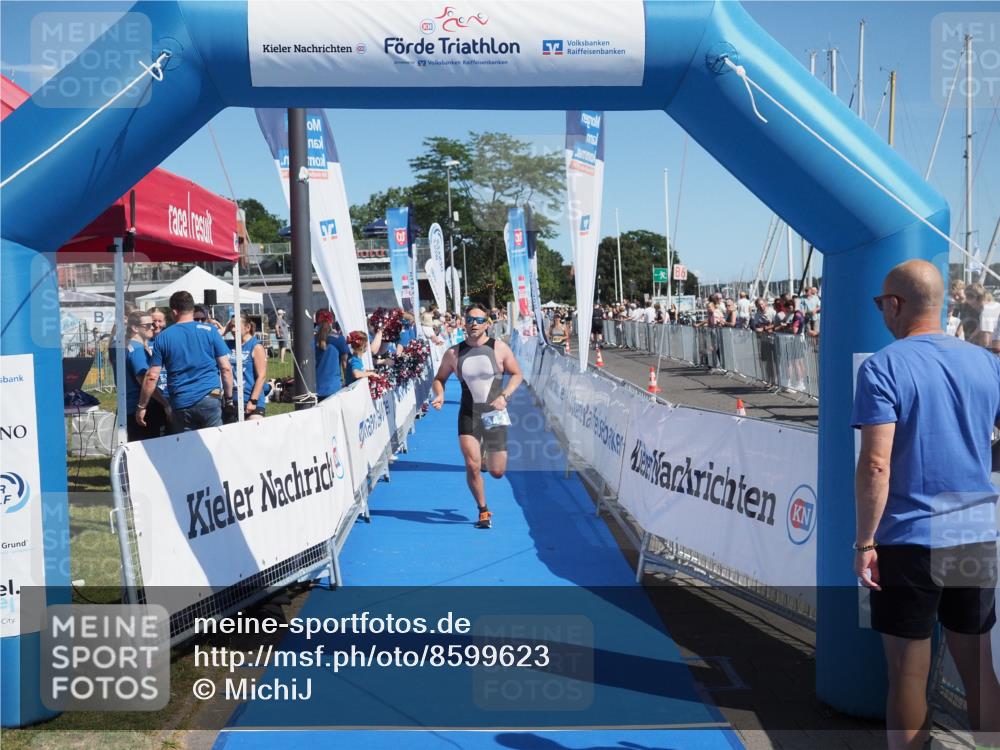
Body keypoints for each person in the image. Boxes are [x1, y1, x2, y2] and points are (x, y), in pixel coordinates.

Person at [852, 260, 1000, 750]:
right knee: (978, 667)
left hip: (909, 535)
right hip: (970, 525)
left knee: (908, 675)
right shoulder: (986, 363)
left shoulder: (883, 366)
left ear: (894, 304)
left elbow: (876, 464)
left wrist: (865, 541)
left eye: (880, 304)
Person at [430, 305, 523, 530]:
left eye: (479, 320)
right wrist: (440, 394)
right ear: (464, 322)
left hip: (495, 412)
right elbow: (439, 378)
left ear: (487, 324)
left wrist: (504, 396)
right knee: (471, 466)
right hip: (469, 413)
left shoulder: (499, 348)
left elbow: (517, 374)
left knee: (497, 472)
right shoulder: (453, 353)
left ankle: (485, 456)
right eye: (469, 319)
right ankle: (483, 510)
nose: (473, 323)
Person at [138, 291, 234, 433]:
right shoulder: (210, 331)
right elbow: (226, 368)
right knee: (213, 448)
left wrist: (142, 406)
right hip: (210, 398)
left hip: (182, 402)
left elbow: (152, 376)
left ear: (174, 311)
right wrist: (229, 398)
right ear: (192, 310)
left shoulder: (163, 337)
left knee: (187, 450)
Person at [121, 311, 170, 440]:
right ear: (135, 328)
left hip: (131, 405)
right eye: (148, 325)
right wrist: (165, 404)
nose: (153, 327)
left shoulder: (129, 346)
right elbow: (146, 380)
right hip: (145, 408)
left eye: (153, 324)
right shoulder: (137, 350)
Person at [225, 313, 268, 421]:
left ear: (247, 327)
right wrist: (224, 331)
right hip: (232, 403)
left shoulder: (255, 346)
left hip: (251, 401)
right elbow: (211, 341)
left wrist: (253, 401)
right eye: (231, 326)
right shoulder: (228, 345)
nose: (233, 330)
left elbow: (262, 376)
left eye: (236, 326)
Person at [314, 309, 350, 400]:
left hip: (313, 389)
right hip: (334, 389)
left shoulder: (311, 340)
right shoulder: (339, 339)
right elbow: (345, 364)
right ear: (332, 322)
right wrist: (348, 382)